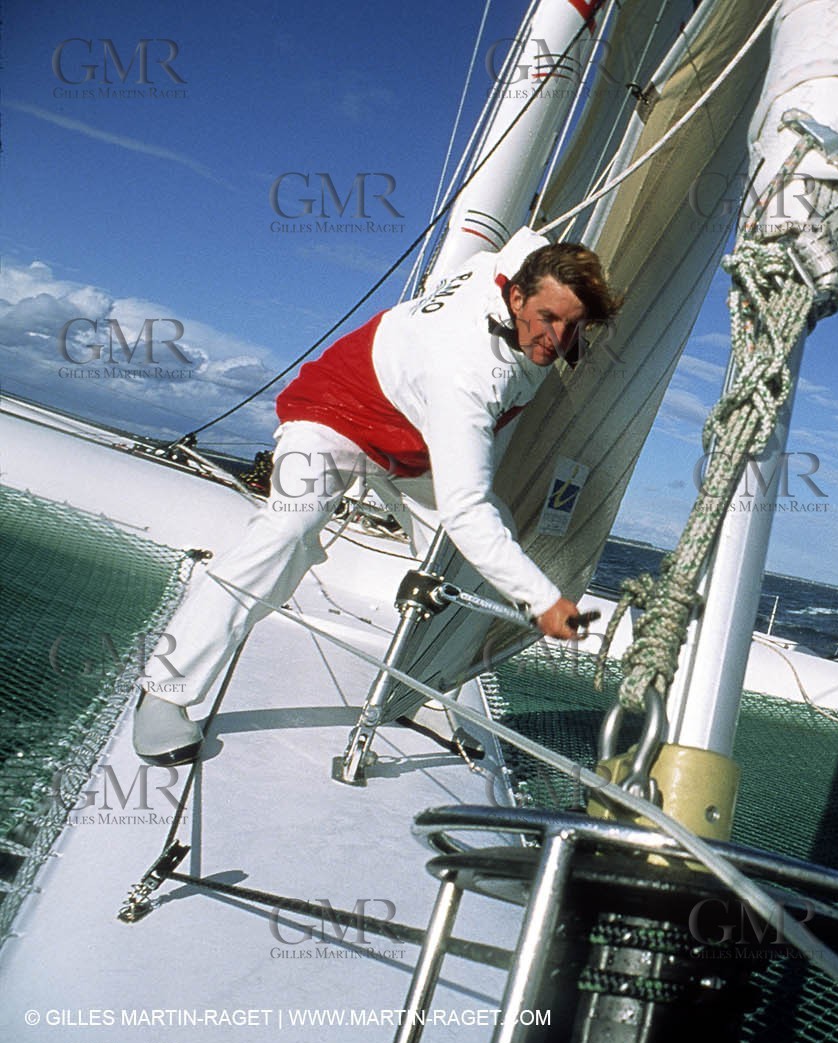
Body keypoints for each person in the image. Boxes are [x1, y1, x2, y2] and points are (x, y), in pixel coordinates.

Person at [133, 227, 621, 765]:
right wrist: (544, 601)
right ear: (516, 296)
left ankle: (424, 688)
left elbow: (526, 239)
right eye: (547, 319)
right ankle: (164, 692)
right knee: (288, 530)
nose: (556, 338)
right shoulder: (468, 374)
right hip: (334, 414)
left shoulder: (523, 265)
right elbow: (465, 508)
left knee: (467, 561)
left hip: (411, 447)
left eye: (573, 326)